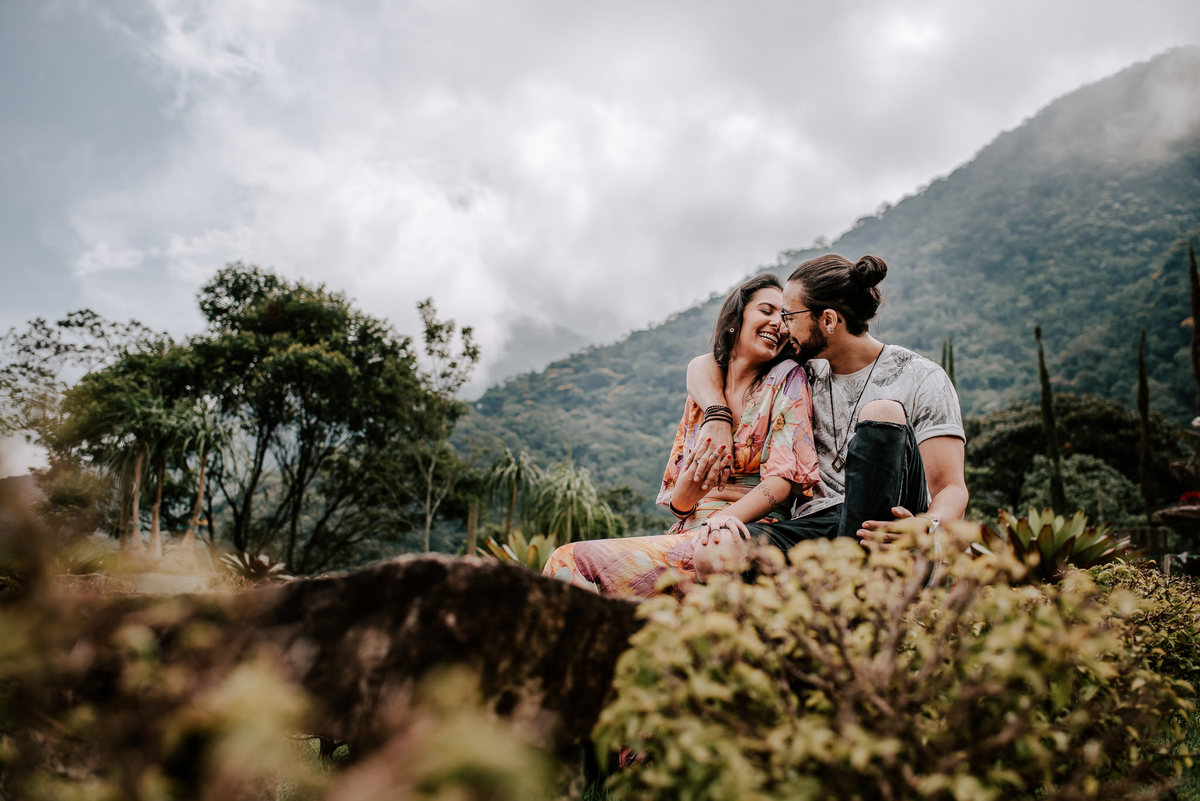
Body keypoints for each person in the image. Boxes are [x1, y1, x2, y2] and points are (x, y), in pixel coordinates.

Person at [541, 274, 819, 598]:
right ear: (736, 319)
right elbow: (679, 502)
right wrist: (686, 494)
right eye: (767, 310)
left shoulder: (787, 379)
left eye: (784, 316)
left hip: (741, 533)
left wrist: (721, 520)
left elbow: (783, 482)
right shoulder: (704, 393)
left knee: (568, 560)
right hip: (686, 534)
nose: (778, 324)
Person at [685, 254, 968, 556]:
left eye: (789, 316)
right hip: (813, 529)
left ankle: (864, 578)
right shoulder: (801, 371)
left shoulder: (920, 376)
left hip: (885, 529)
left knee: (882, 412)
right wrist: (717, 414)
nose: (782, 327)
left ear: (829, 320)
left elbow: (950, 488)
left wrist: (926, 525)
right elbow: (706, 365)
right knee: (719, 548)